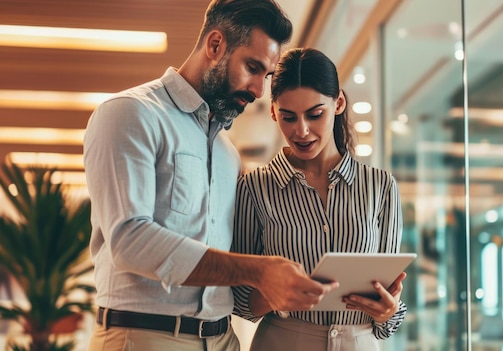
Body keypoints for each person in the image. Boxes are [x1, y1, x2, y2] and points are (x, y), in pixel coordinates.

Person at [82, 2, 337, 350]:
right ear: (215, 45)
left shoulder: (227, 153)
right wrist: (257, 270)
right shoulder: (131, 113)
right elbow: (129, 240)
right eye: (252, 67)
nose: (259, 91)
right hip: (147, 336)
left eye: (266, 76)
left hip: (223, 338)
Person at [232, 47, 408, 351]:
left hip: (360, 342)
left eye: (315, 114)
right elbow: (240, 303)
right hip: (284, 340)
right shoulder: (255, 188)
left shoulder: (380, 186)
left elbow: (388, 315)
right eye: (288, 117)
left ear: (338, 103)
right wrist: (277, 293)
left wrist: (389, 312)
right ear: (273, 112)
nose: (301, 131)